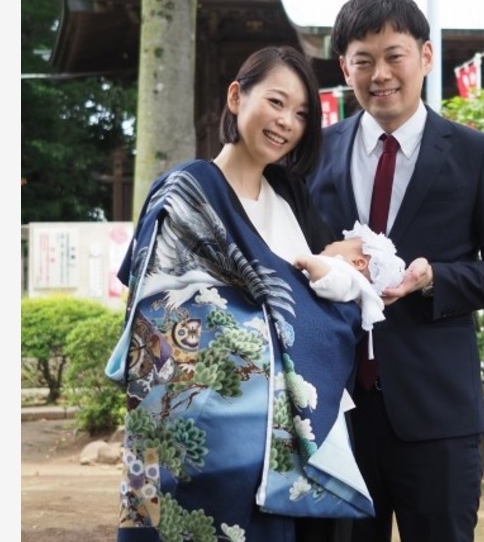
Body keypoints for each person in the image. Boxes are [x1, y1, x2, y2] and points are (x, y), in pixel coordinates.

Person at [105, 46, 386, 541]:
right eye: (276, 102)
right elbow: (157, 316)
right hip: (186, 438)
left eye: (301, 114)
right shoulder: (186, 192)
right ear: (236, 96)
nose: (287, 123)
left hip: (278, 454)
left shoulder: (292, 200)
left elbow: (321, 304)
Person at [308, 0, 484, 542]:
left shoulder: (477, 154)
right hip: (333, 414)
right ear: (345, 67)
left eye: (394, 55)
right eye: (363, 60)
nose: (380, 73)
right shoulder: (314, 152)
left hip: (436, 416)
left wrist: (435, 278)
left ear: (425, 57)